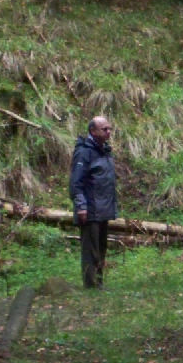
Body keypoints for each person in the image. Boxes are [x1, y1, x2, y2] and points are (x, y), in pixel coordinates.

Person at [69, 116, 118, 289]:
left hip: (103, 207)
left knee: (101, 247)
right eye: (104, 129)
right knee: (91, 249)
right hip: (90, 209)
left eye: (109, 128)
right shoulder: (84, 152)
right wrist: (81, 206)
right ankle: (90, 285)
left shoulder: (104, 150)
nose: (108, 132)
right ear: (93, 131)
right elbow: (76, 182)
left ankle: (99, 282)